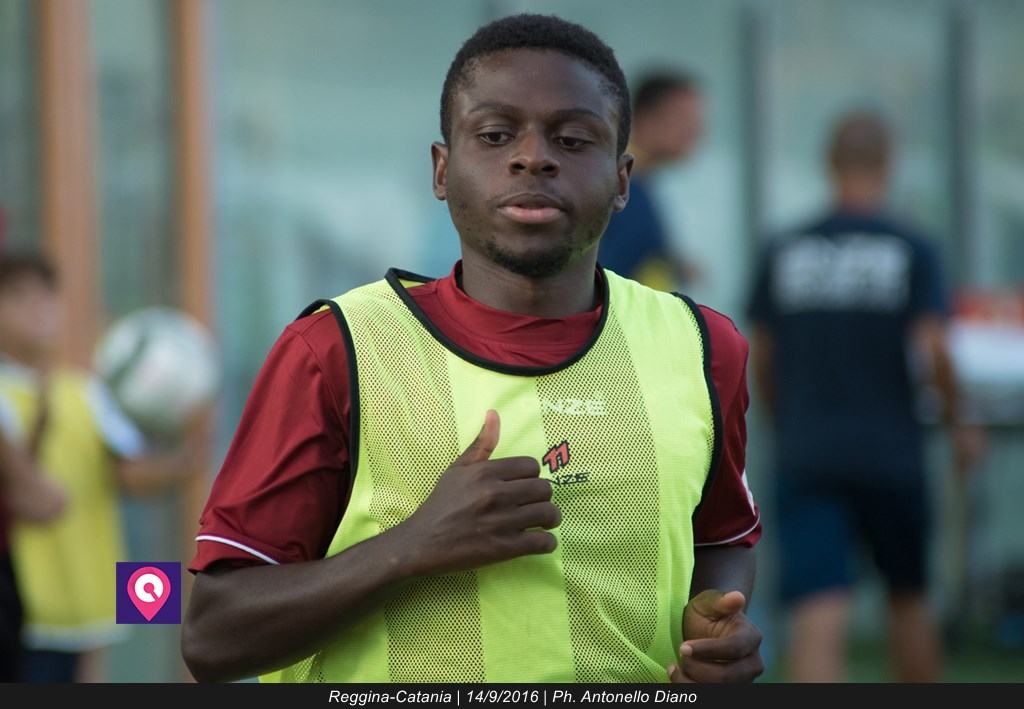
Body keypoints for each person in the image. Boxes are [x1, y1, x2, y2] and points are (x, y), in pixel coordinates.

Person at [183, 14, 763, 684]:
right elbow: (212, 635)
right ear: (442, 169)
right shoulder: (334, 350)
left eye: (573, 139)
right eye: (494, 135)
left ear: (623, 179)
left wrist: (715, 636)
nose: (533, 157)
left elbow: (722, 540)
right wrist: (412, 545)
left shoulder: (703, 347)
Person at [747, 112, 983, 682]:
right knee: (909, 596)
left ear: (829, 163)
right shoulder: (911, 247)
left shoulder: (787, 248)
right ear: (888, 164)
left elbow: (762, 354)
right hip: (891, 451)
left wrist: (786, 420)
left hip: (810, 450)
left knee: (819, 603)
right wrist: (959, 424)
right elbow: (934, 348)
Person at [0, 253, 200, 682]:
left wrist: (183, 460)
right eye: (18, 296)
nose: (37, 309)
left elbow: (130, 476)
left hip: (93, 598)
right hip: (26, 606)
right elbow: (34, 500)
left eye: (47, 296)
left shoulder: (87, 391)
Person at [597, 70, 703, 291]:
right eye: (681, 118)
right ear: (644, 118)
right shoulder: (617, 184)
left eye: (697, 121)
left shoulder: (641, 183)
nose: (694, 131)